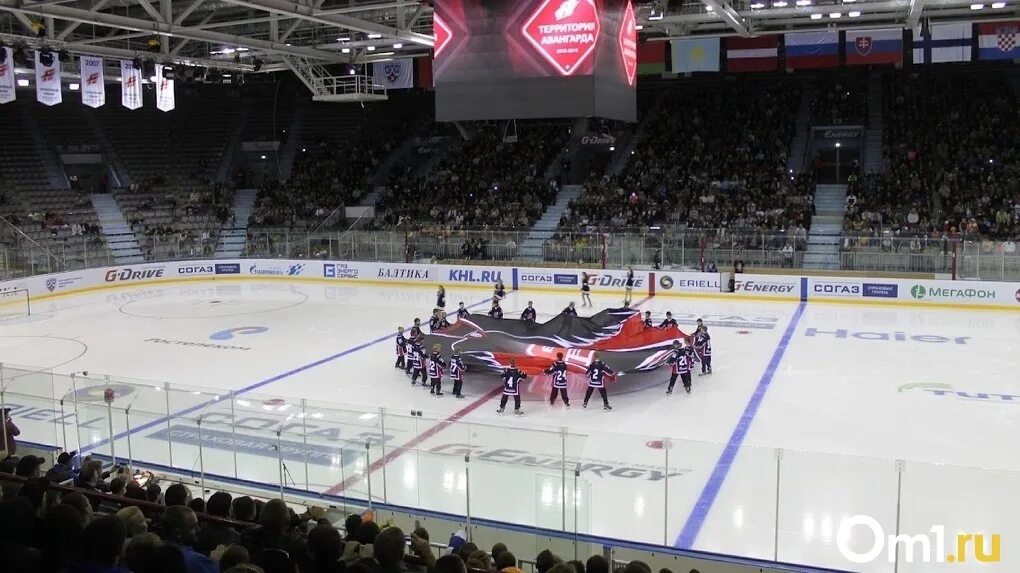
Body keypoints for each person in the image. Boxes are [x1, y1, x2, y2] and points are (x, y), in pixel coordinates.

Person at [162, 506, 217, 573]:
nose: (199, 529)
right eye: (194, 526)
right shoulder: (196, 561)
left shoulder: (156, 552)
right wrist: (215, 561)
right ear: (178, 533)